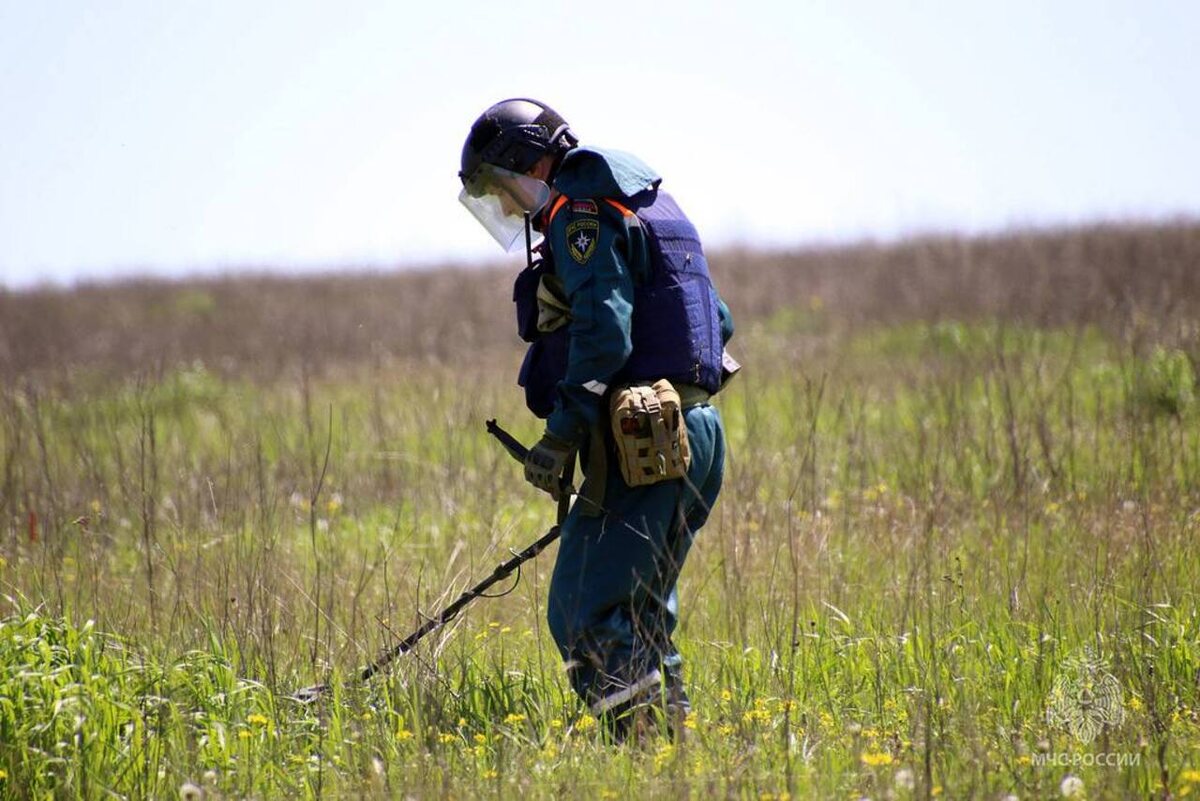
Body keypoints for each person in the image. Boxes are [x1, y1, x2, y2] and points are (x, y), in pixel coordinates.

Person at [458, 98, 736, 739]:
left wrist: (563, 434)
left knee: (583, 610)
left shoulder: (581, 208)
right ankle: (672, 752)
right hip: (695, 435)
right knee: (639, 609)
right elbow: (717, 322)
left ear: (528, 163)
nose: (504, 208)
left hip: (644, 440)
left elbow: (605, 335)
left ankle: (640, 748)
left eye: (501, 189)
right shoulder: (650, 204)